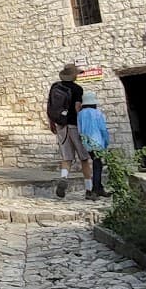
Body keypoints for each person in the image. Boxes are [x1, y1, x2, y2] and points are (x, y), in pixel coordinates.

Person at [46, 64, 90, 199]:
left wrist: (52, 122)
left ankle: (64, 177)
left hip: (61, 125)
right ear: (74, 75)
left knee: (66, 156)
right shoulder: (77, 89)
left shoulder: (55, 86)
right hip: (74, 125)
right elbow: (77, 108)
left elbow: (50, 106)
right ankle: (89, 189)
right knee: (84, 158)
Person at [78, 90, 110, 200]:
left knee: (97, 163)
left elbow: (80, 129)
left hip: (87, 142)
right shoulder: (97, 113)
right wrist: (106, 142)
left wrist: (84, 142)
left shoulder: (80, 114)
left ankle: (99, 187)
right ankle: (96, 189)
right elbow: (103, 129)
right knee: (97, 164)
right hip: (98, 141)